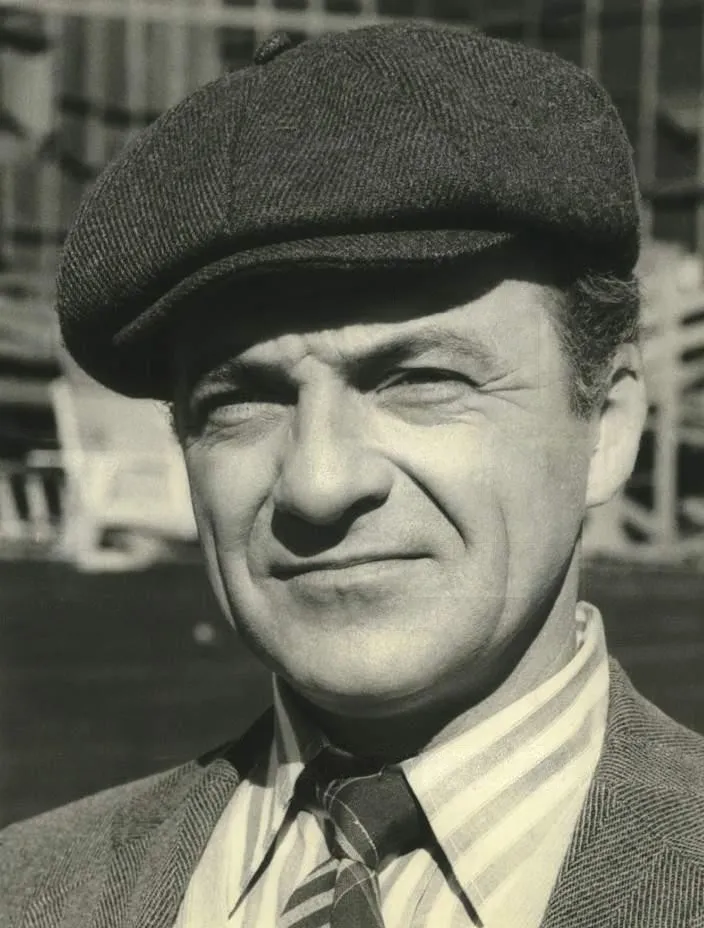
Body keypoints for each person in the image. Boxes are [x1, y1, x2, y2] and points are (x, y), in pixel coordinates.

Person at [2, 20, 704, 928]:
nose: (318, 482)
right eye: (242, 400)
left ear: (606, 425)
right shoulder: (27, 891)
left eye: (421, 380)